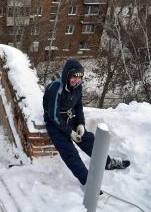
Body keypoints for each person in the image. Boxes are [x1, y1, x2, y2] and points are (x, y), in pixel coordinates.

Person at [43, 59, 130, 187]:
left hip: (70, 118)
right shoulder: (56, 87)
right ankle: (89, 183)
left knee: (88, 140)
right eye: (74, 76)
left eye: (80, 77)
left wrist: (80, 124)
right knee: (70, 153)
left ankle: (108, 162)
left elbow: (78, 106)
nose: (77, 80)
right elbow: (53, 115)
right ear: (67, 74)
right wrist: (69, 132)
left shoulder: (78, 87)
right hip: (55, 123)